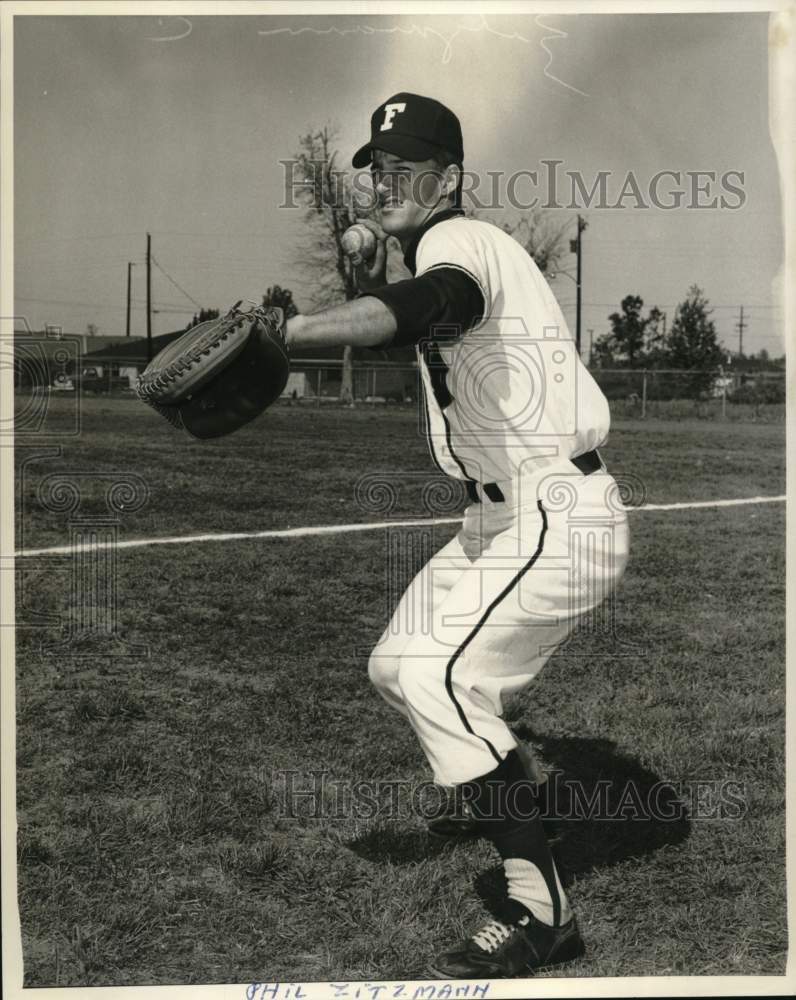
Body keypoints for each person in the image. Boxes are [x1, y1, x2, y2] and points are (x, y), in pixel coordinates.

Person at [285, 92, 630, 979]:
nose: (387, 180)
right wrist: (368, 272)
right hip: (499, 515)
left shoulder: (458, 242)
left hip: (555, 512)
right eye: (378, 168)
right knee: (395, 666)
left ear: (450, 179)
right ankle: (520, 796)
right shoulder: (432, 246)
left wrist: (284, 332)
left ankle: (542, 911)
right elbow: (417, 313)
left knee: (441, 676)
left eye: (407, 166)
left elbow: (431, 303)